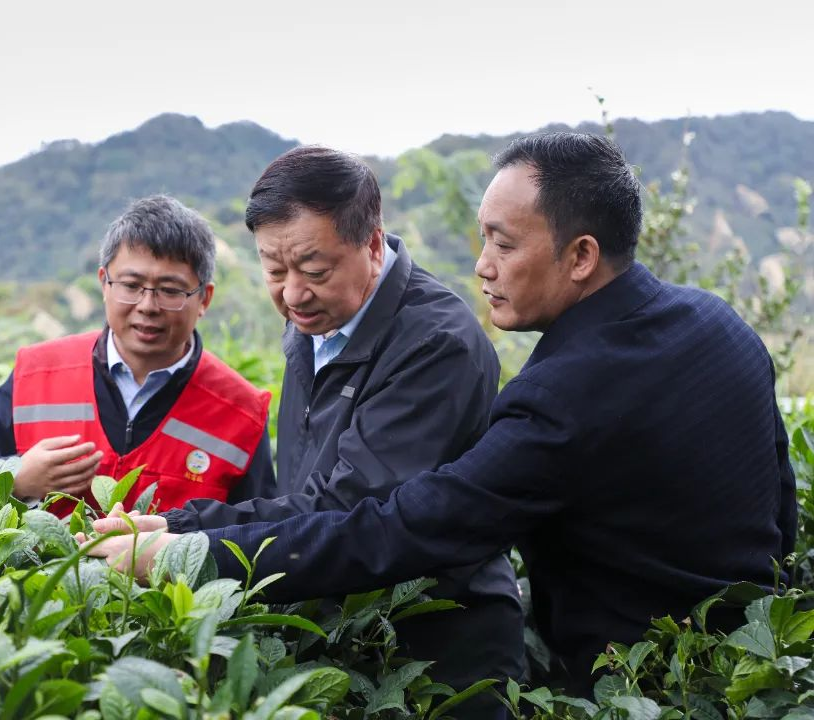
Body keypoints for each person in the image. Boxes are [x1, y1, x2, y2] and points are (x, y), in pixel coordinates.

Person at [83, 134, 797, 696]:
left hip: (638, 684)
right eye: (484, 238)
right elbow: (780, 507)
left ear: (581, 255)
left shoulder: (558, 393)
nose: (482, 265)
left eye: (504, 244)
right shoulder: (719, 323)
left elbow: (401, 525)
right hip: (746, 664)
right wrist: (186, 527)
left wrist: (190, 548)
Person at [91, 147, 526, 701]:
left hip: (436, 657)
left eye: (315, 271)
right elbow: (302, 492)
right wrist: (177, 525)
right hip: (342, 634)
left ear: (372, 245)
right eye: (274, 271)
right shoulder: (316, 321)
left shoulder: (435, 344)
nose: (293, 293)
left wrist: (188, 548)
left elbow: (351, 511)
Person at [0, 194, 274, 517]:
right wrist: (18, 479)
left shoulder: (242, 412)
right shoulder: (37, 372)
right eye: (131, 285)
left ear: (204, 298)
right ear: (104, 284)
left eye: (170, 290)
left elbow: (256, 527)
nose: (147, 306)